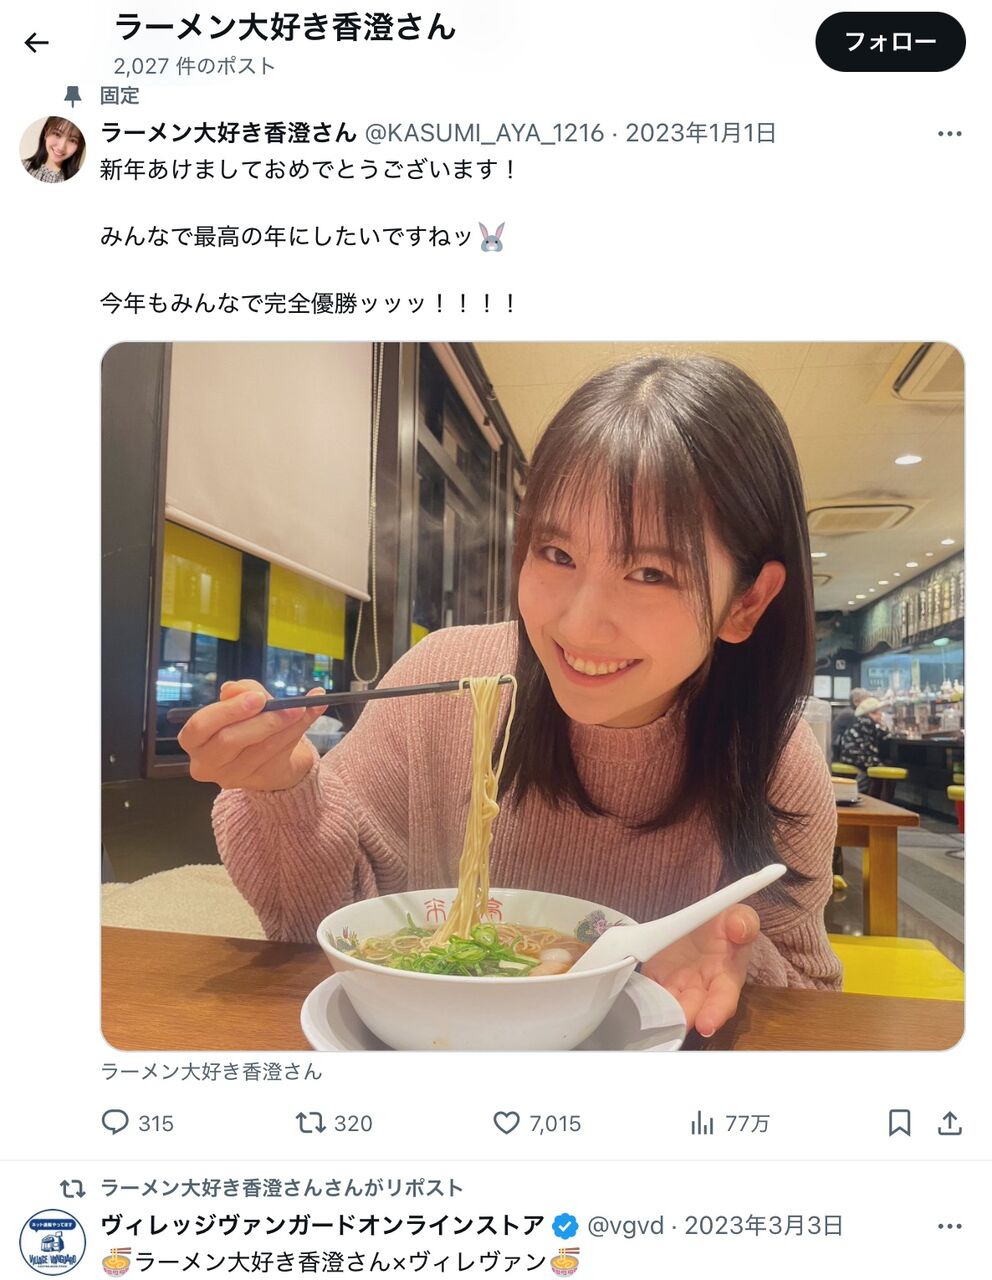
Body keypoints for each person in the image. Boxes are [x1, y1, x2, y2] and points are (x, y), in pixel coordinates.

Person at [184, 355, 842, 1037]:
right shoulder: (445, 682)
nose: (577, 624)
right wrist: (280, 790)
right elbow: (320, 926)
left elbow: (815, 1000)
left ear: (747, 602)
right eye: (557, 554)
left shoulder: (773, 762)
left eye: (650, 572)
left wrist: (738, 964)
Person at [838, 696, 891, 792]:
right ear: (869, 713)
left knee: (876, 765)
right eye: (876, 712)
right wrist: (883, 726)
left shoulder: (858, 721)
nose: (880, 714)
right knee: (880, 766)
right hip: (857, 757)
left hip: (847, 756)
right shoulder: (867, 722)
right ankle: (858, 792)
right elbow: (876, 742)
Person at [22, 116, 85, 183]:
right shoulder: (24, 166)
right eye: (57, 134)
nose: (61, 147)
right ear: (46, 132)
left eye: (72, 140)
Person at [831, 687, 868, 758]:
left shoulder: (849, 711)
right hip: (839, 751)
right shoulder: (851, 714)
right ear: (856, 702)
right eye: (866, 702)